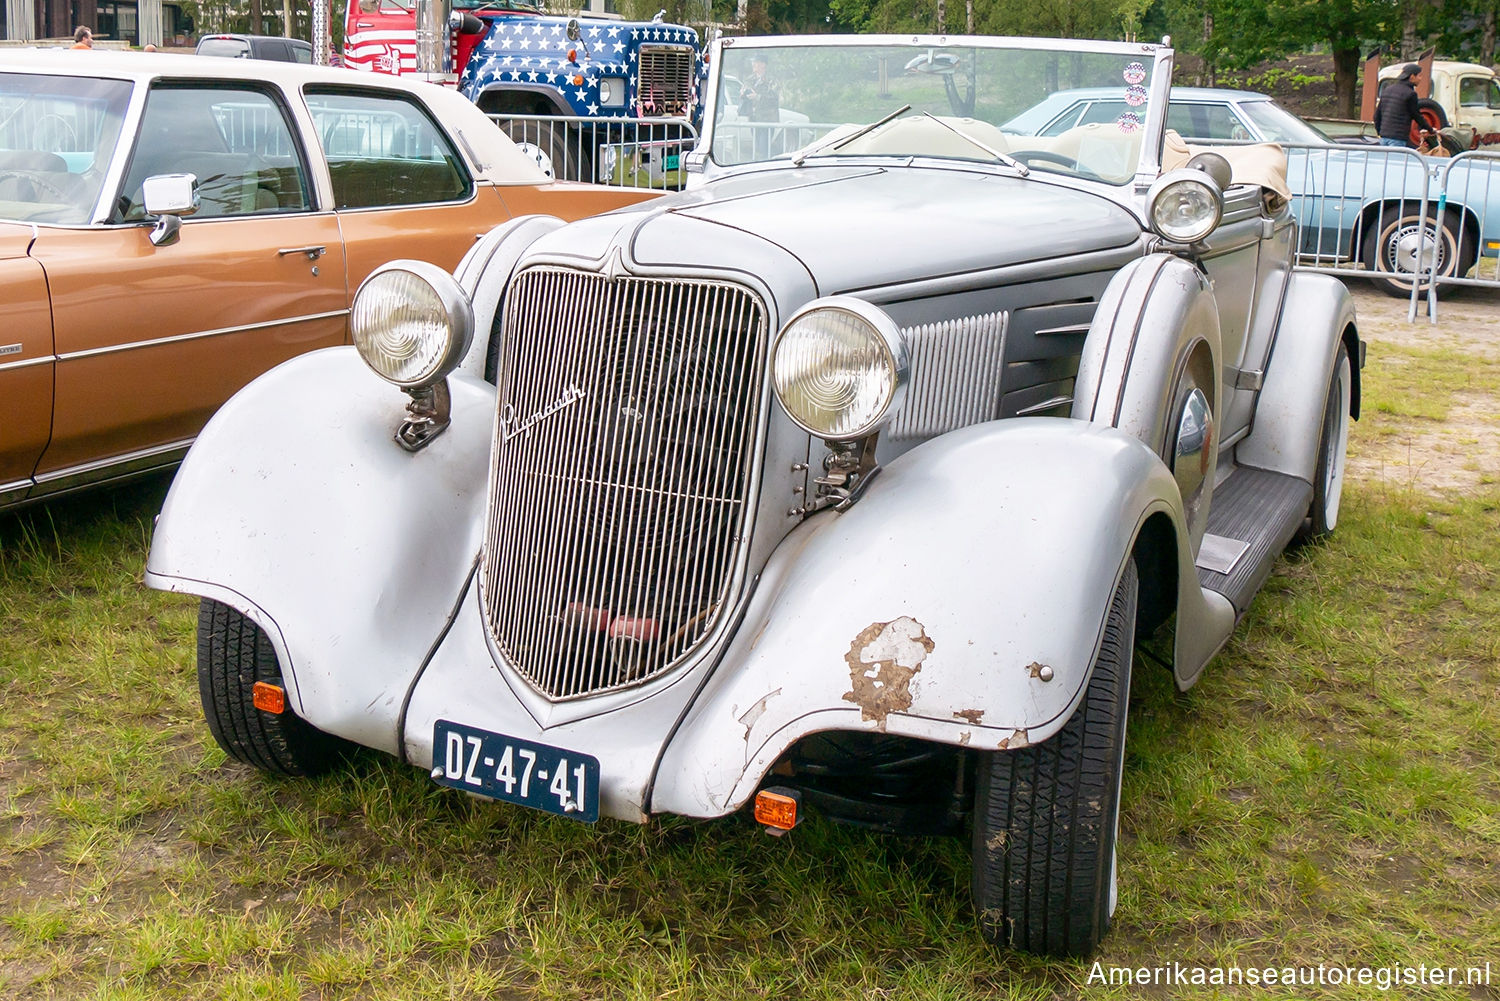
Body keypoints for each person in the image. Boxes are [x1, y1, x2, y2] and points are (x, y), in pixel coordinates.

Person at [1374, 63, 1426, 148]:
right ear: (1412, 76)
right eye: (1419, 76)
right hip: (1398, 138)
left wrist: (1380, 131)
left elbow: (1377, 115)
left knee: (1384, 160)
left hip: (1383, 137)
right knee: (1395, 160)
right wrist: (1430, 129)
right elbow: (1416, 116)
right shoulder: (1410, 94)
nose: (1421, 79)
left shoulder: (1387, 90)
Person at [739, 55, 780, 158]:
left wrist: (757, 97)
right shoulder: (750, 79)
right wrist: (743, 93)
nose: (753, 65)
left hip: (767, 120)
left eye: (756, 62)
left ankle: (766, 166)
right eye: (753, 62)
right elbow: (744, 92)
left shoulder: (772, 80)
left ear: (763, 64)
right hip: (754, 119)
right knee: (758, 146)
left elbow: (774, 99)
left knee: (764, 147)